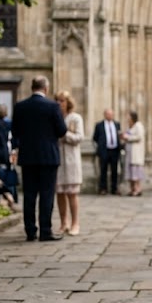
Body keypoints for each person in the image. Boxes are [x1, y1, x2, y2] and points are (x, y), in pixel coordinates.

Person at [11, 76, 68, 242]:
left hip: (28, 156)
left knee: (29, 195)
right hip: (48, 156)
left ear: (32, 87)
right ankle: (45, 231)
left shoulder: (20, 106)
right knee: (47, 195)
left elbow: (15, 131)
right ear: (46, 88)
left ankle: (30, 231)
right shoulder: (52, 106)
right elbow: (62, 130)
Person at [54, 91, 84, 235]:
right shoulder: (56, 117)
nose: (60, 104)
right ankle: (63, 222)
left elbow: (79, 137)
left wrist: (64, 134)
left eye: (62, 101)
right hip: (58, 159)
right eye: (57, 101)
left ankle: (75, 223)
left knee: (72, 193)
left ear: (68, 102)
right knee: (60, 193)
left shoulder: (76, 118)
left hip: (71, 160)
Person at [92, 110, 122, 195]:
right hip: (104, 151)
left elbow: (118, 135)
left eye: (111, 114)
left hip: (115, 150)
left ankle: (114, 189)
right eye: (108, 114)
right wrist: (101, 145)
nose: (110, 116)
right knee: (103, 170)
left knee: (114, 170)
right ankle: (103, 188)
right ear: (105, 115)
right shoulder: (99, 125)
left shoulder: (117, 124)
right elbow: (95, 137)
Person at [122, 111, 146, 196]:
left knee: (135, 172)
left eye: (128, 117)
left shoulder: (138, 126)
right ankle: (132, 189)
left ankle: (137, 189)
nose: (127, 119)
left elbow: (139, 137)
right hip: (129, 153)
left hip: (136, 153)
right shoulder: (130, 126)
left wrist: (127, 137)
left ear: (133, 117)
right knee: (130, 172)